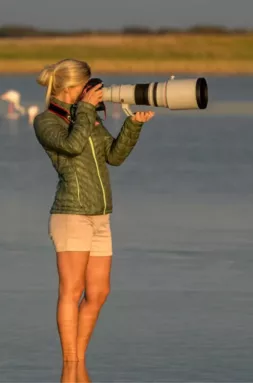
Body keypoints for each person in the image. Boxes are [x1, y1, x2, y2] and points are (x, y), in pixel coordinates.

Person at [33, 58, 155, 362]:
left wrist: (133, 125)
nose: (92, 91)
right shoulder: (46, 120)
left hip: (101, 216)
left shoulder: (89, 117)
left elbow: (113, 157)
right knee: (71, 292)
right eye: (85, 85)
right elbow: (72, 146)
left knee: (99, 293)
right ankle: (70, 363)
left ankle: (79, 361)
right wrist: (86, 110)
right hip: (71, 213)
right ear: (72, 87)